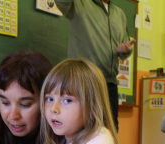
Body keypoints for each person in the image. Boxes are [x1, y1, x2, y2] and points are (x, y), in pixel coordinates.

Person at [33, 58, 127, 144]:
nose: (53, 108)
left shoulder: (101, 138)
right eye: (49, 98)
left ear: (92, 105)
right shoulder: (60, 140)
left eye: (67, 100)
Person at [55, 0, 136, 131]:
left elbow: (124, 47)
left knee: (111, 130)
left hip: (109, 82)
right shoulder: (78, 3)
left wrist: (125, 50)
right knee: (83, 130)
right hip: (84, 82)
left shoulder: (120, 14)